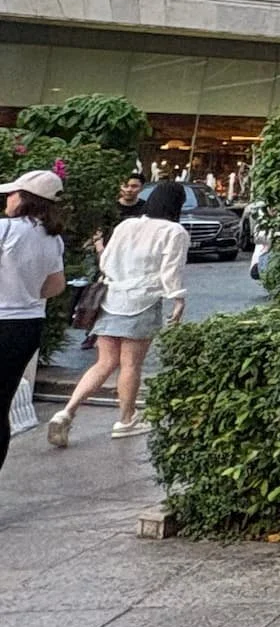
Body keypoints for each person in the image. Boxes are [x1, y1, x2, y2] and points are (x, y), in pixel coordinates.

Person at [47, 180, 187, 447]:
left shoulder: (127, 225)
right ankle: (126, 419)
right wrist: (178, 300)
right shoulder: (174, 231)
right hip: (142, 300)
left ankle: (67, 411)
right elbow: (171, 270)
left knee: (104, 362)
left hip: (111, 298)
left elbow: (106, 260)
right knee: (131, 364)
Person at [0, 171, 68, 475]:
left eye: (12, 193)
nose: (7, 198)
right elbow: (54, 286)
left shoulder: (5, 230)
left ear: (25, 198)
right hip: (27, 325)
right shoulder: (52, 238)